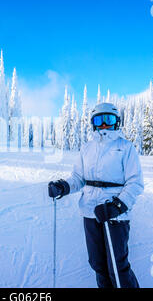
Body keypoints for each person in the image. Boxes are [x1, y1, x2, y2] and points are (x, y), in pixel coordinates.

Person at [48, 102, 144, 288]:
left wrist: (117, 206)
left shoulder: (125, 147)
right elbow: (78, 178)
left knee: (117, 266)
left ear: (117, 122)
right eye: (100, 120)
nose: (104, 125)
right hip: (90, 213)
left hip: (114, 214)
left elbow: (135, 182)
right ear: (93, 123)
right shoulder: (87, 148)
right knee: (98, 264)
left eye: (109, 120)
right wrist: (63, 187)